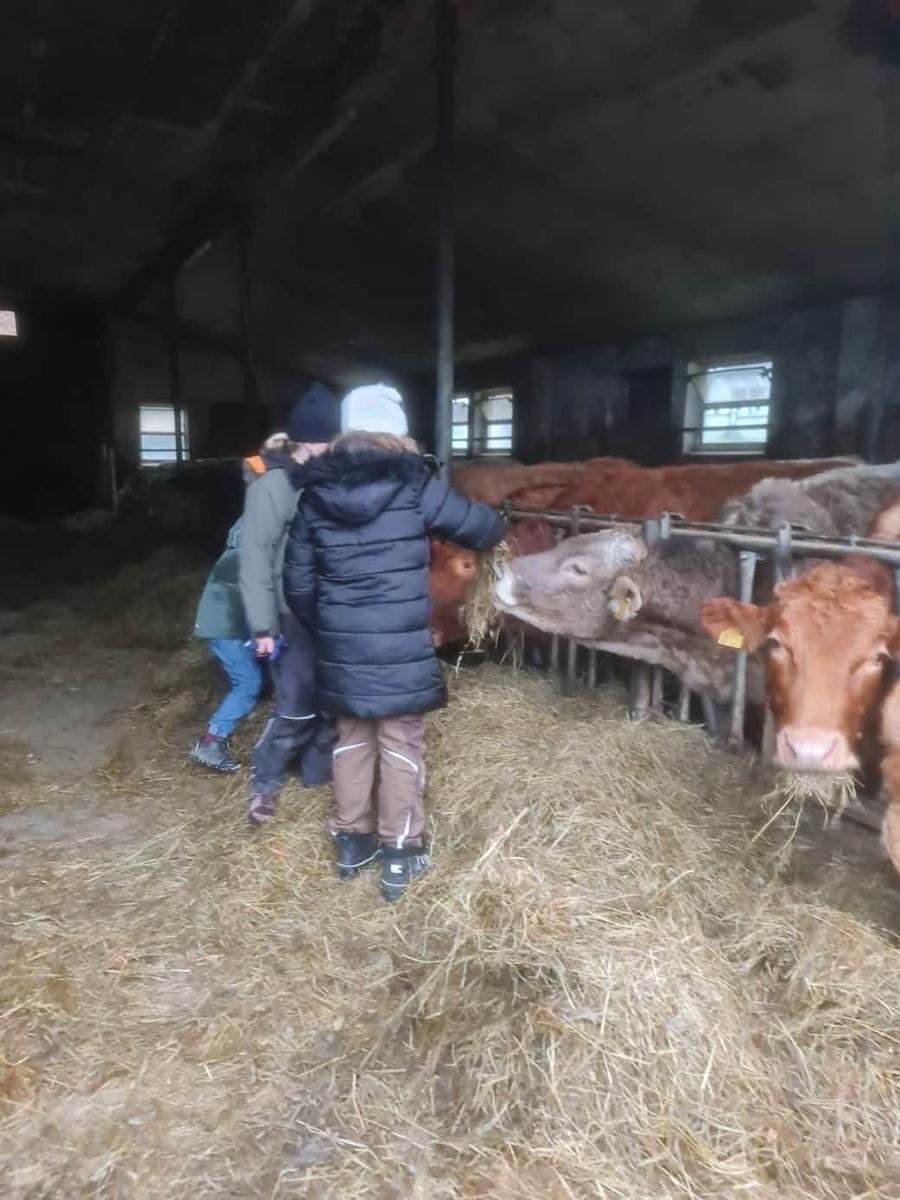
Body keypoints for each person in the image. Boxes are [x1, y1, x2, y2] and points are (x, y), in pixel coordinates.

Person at [282, 383, 506, 900]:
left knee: (353, 740)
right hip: (402, 644)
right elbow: (482, 527)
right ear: (397, 432)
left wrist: (333, 624)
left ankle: (351, 842)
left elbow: (297, 584)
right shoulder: (414, 485)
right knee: (401, 742)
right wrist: (497, 523)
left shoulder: (314, 494)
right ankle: (400, 854)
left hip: (342, 644)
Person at [240, 384, 341, 825]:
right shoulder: (272, 487)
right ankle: (265, 780)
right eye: (324, 440)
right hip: (290, 614)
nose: (330, 448)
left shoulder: (335, 480)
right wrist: (263, 627)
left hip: (336, 612)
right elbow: (255, 560)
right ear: (304, 440)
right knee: (296, 704)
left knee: (335, 702)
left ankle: (317, 776)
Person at [189, 516, 263, 772]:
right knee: (248, 682)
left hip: (224, 619)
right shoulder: (256, 549)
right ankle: (211, 741)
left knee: (253, 676)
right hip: (225, 624)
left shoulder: (245, 530)